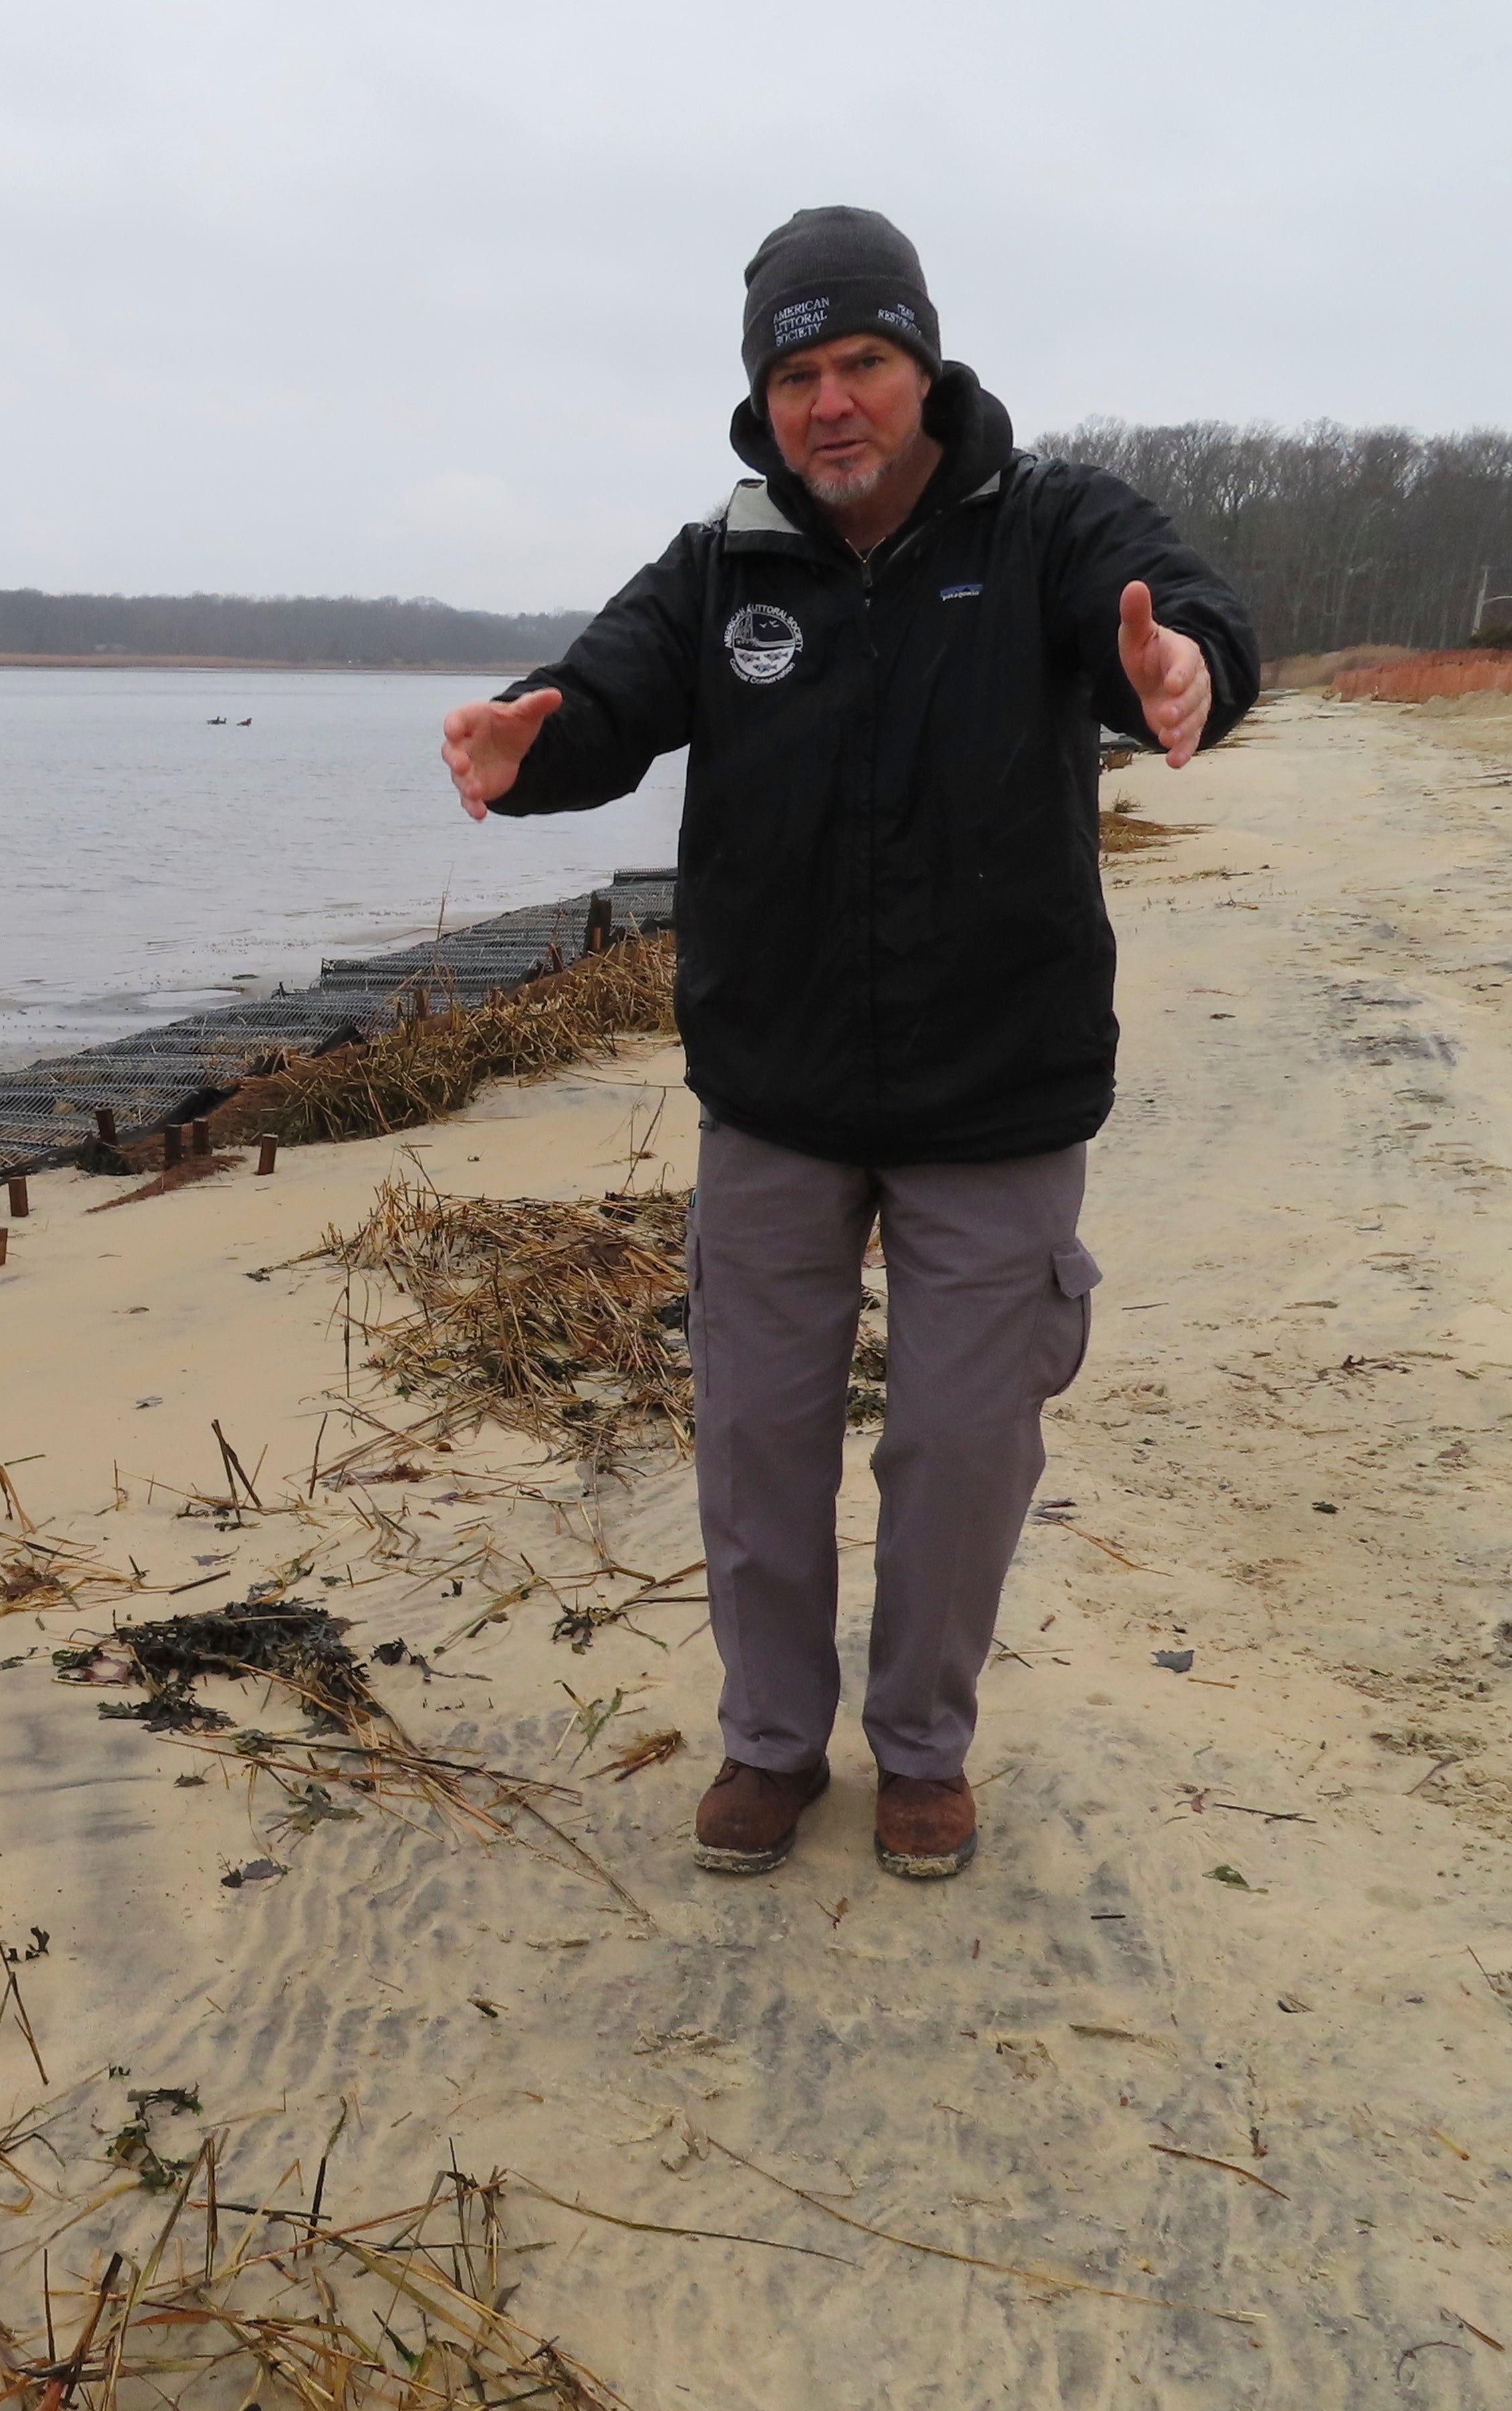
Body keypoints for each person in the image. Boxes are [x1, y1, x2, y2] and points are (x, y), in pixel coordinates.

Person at [440, 206, 1256, 1882]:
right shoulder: (722, 564)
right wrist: (535, 734)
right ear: (764, 395)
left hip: (1000, 1091)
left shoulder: (1044, 524)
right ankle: (767, 1744)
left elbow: (1184, 611)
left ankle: (924, 1751)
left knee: (962, 1448)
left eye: (862, 361)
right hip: (779, 1094)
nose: (831, 402)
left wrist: (1187, 669)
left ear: (924, 366)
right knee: (755, 1438)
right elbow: (605, 696)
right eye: (796, 371)